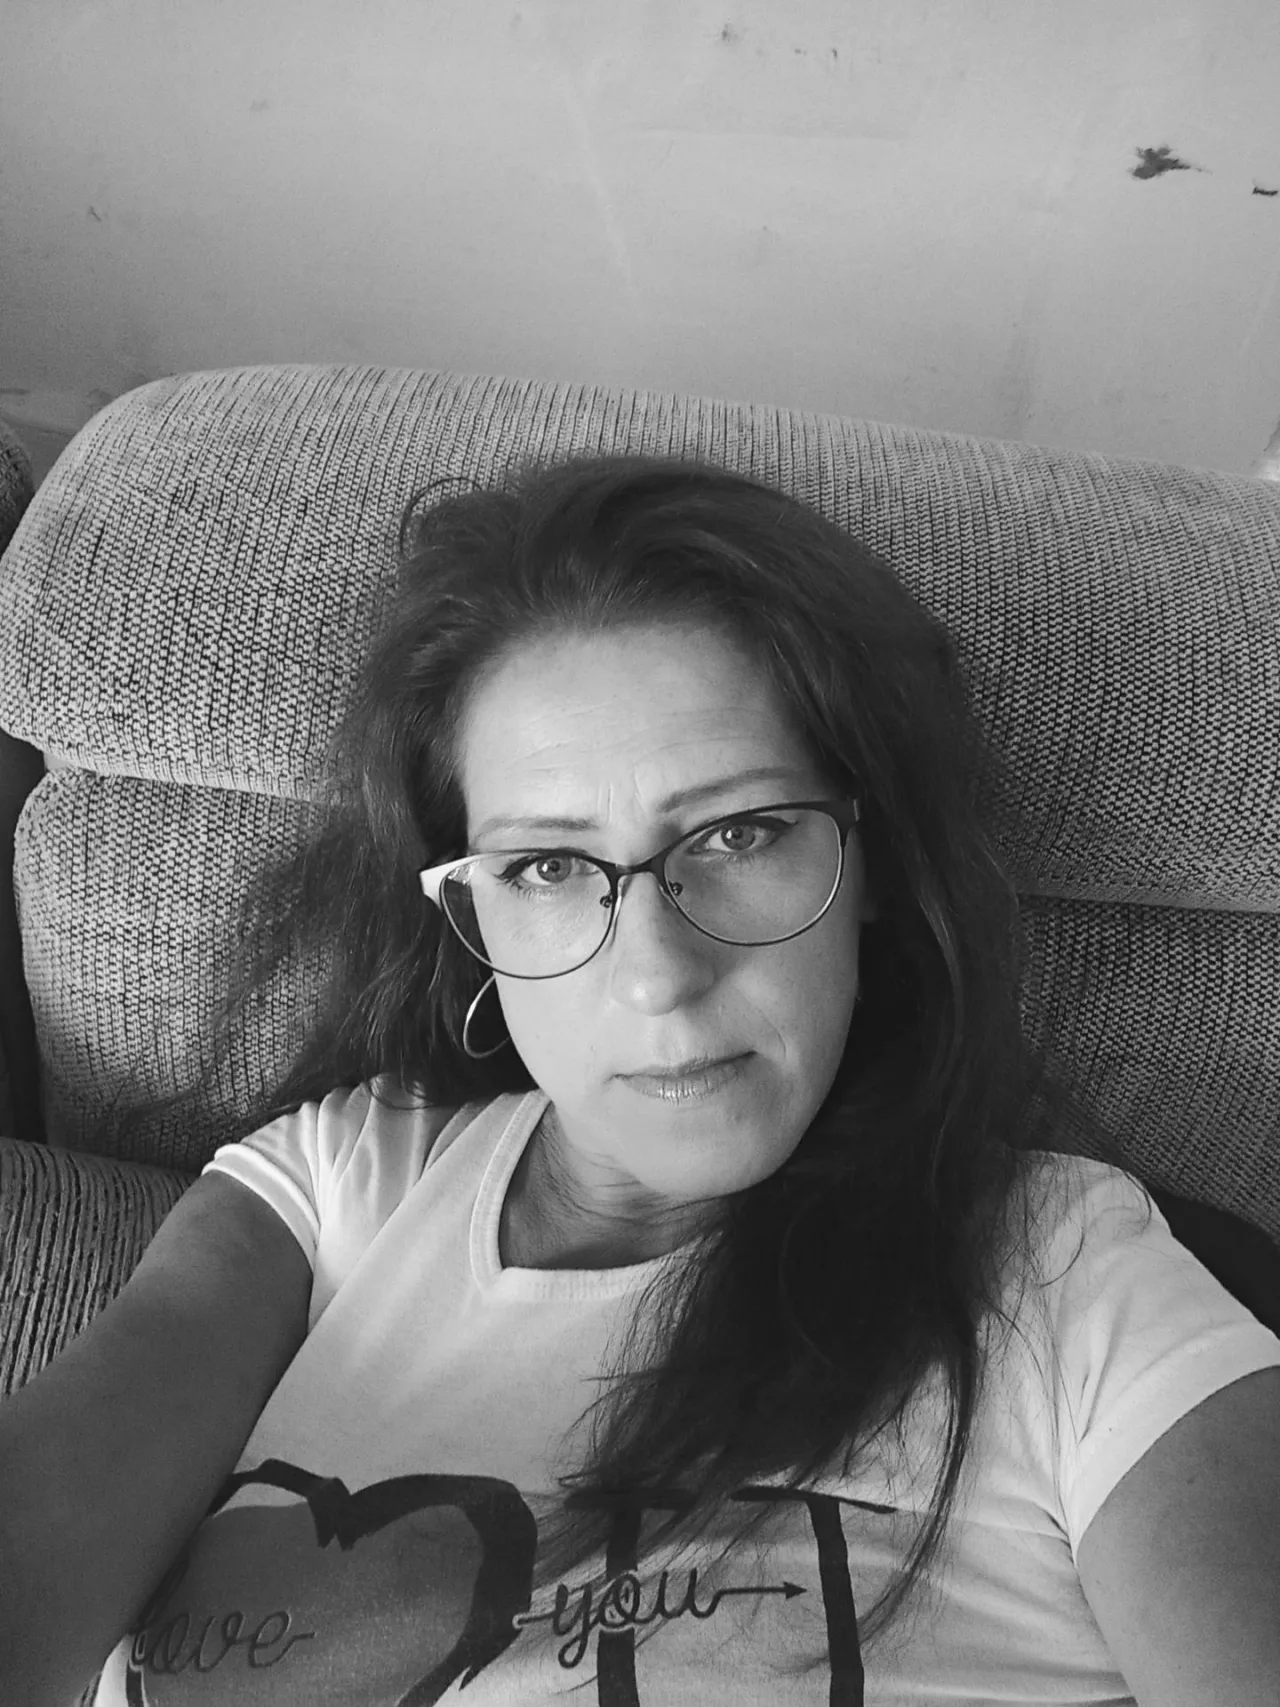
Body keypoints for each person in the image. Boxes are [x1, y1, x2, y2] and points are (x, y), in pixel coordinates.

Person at [1, 453, 1278, 1705]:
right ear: (470, 915)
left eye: (739, 834)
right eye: (548, 867)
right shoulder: (331, 1184)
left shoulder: (1064, 1266)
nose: (659, 976)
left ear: (870, 863)